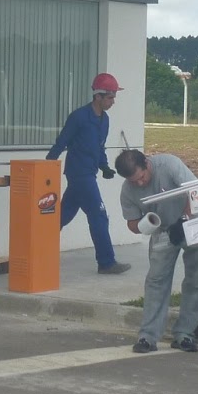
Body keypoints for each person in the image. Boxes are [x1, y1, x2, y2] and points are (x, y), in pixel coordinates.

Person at [115, 147, 198, 353]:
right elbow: (131, 223)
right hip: (163, 230)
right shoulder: (128, 190)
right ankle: (148, 337)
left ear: (146, 163)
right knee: (156, 281)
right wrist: (144, 224)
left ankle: (185, 334)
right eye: (134, 181)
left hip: (195, 223)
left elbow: (196, 191)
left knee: (196, 279)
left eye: (142, 177)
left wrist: (184, 220)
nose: (140, 184)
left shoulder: (169, 165)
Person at [46, 72, 131, 274]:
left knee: (60, 217)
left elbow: (99, 147)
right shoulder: (79, 117)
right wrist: (48, 165)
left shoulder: (105, 120)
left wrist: (104, 166)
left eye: (113, 97)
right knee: (98, 215)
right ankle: (106, 262)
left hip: (89, 173)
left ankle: (36, 248)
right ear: (98, 96)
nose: (113, 101)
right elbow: (62, 141)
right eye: (110, 97)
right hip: (79, 174)